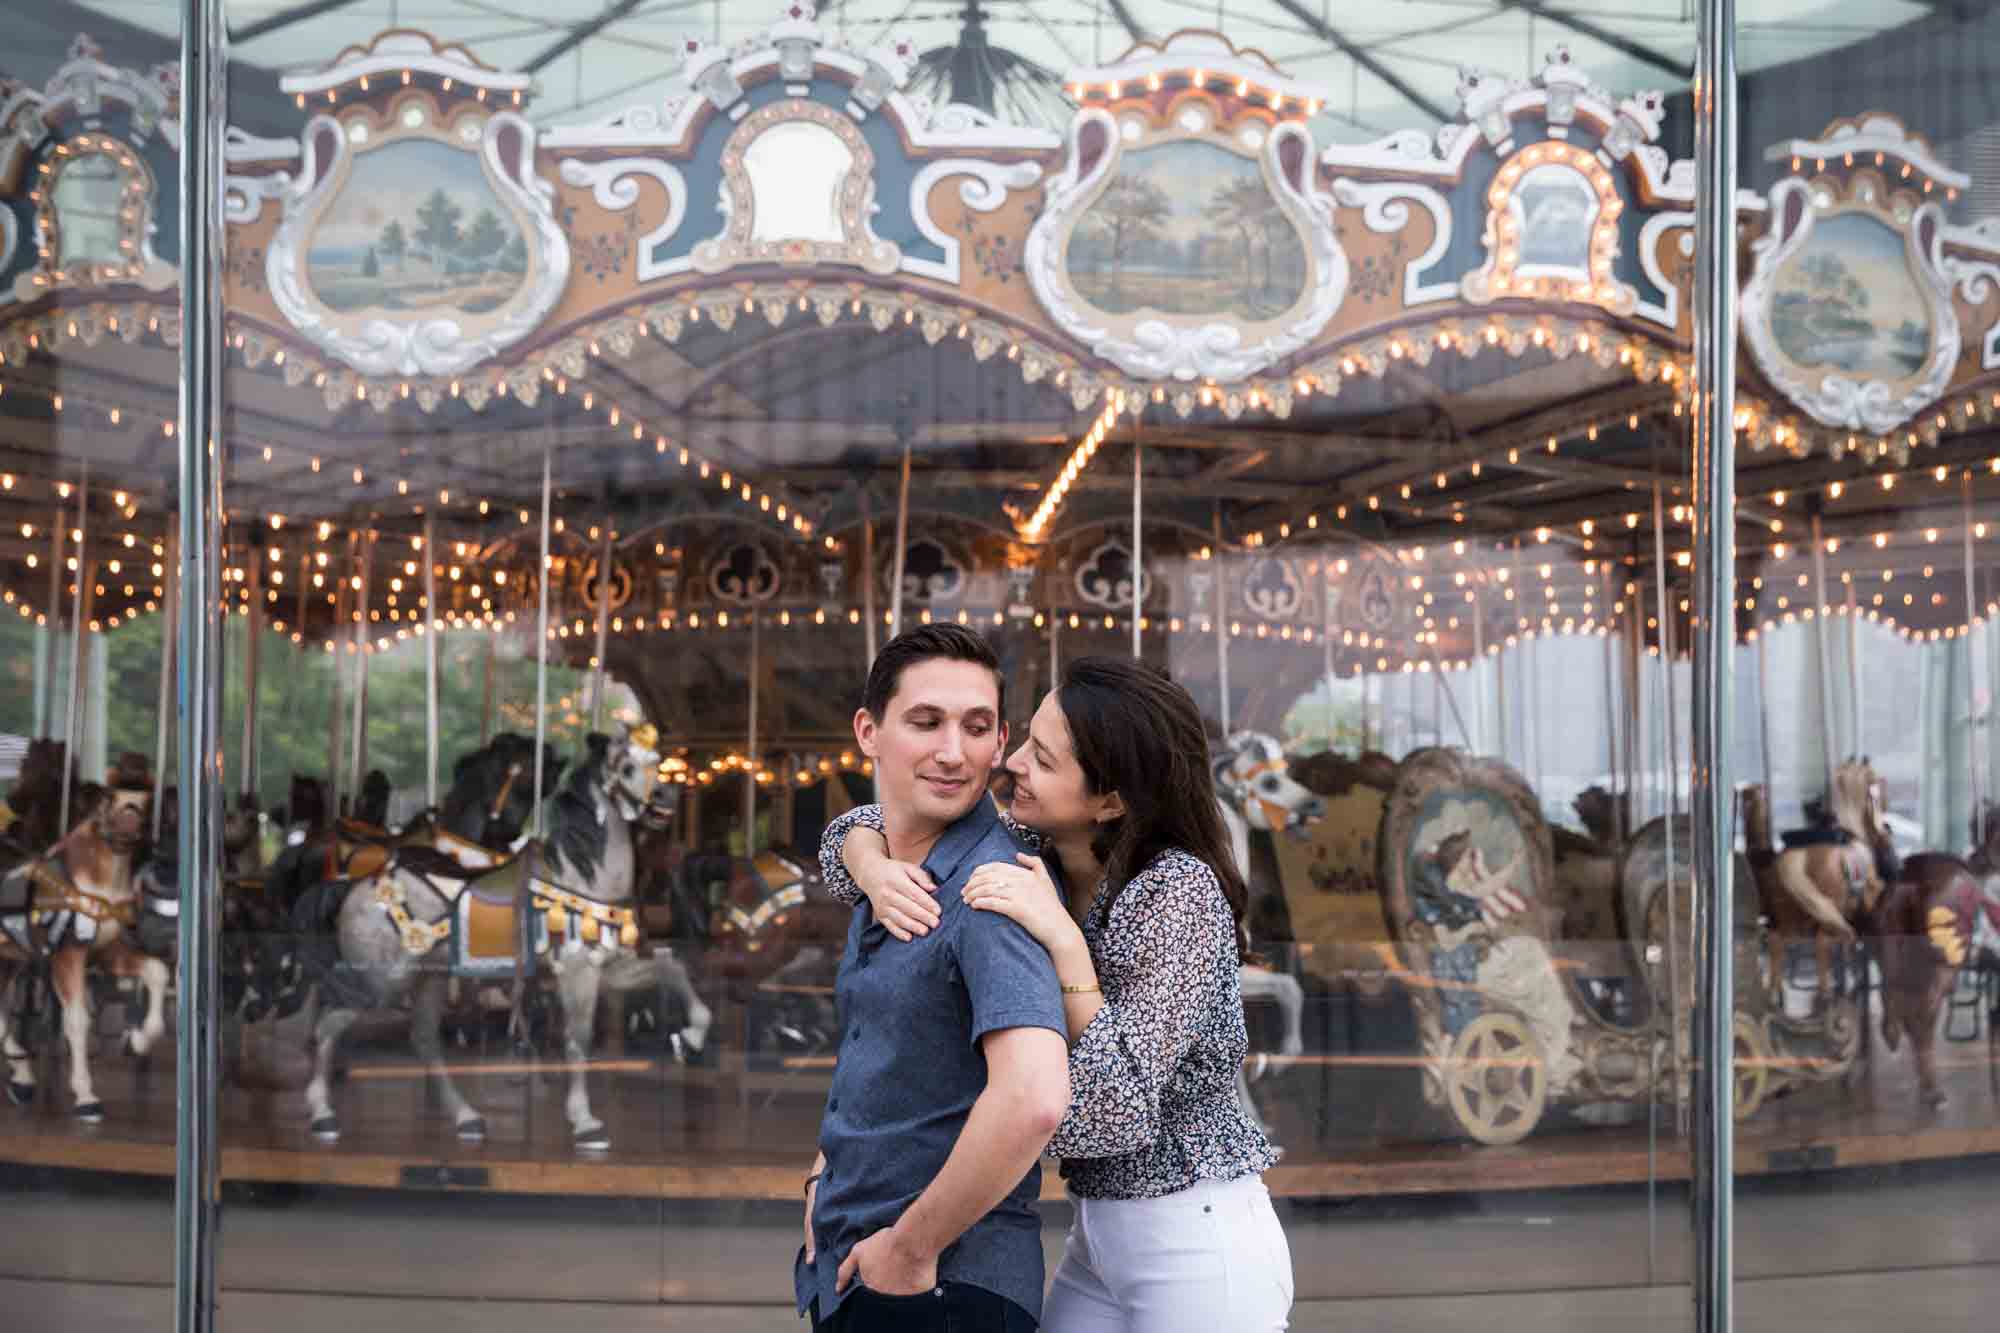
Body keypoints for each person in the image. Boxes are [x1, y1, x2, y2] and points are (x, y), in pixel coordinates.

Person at [821, 657, 1294, 1332]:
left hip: (1195, 1223)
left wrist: (1065, 943)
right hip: (1097, 1231)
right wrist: (870, 864)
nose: (1010, 762)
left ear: (1110, 799)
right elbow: (862, 825)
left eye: (1041, 758)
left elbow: (1114, 1111)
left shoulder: (1176, 892)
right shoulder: (1034, 846)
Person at [795, 624, 1071, 1333]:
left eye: (977, 727)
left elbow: (1036, 1095)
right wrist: (828, 1172)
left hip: (941, 1288)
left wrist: (910, 1251)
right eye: (926, 721)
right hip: (866, 1267)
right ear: (869, 730)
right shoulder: (891, 867)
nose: (954, 751)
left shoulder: (991, 886)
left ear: (1001, 737)